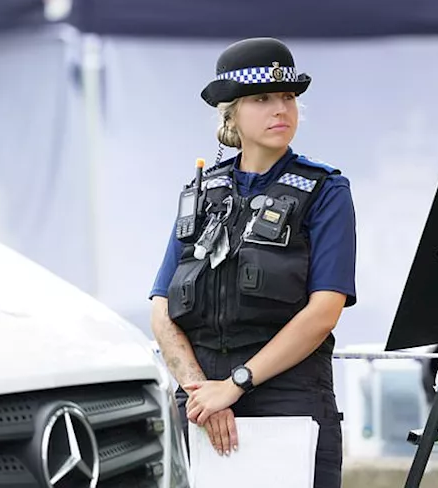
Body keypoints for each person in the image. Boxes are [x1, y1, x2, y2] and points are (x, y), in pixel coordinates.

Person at [148, 37, 357, 488]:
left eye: (288, 97)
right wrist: (201, 393)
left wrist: (237, 384)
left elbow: (324, 312)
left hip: (289, 399)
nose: (281, 109)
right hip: (202, 405)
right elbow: (162, 309)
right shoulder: (202, 192)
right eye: (262, 99)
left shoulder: (327, 192)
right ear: (231, 114)